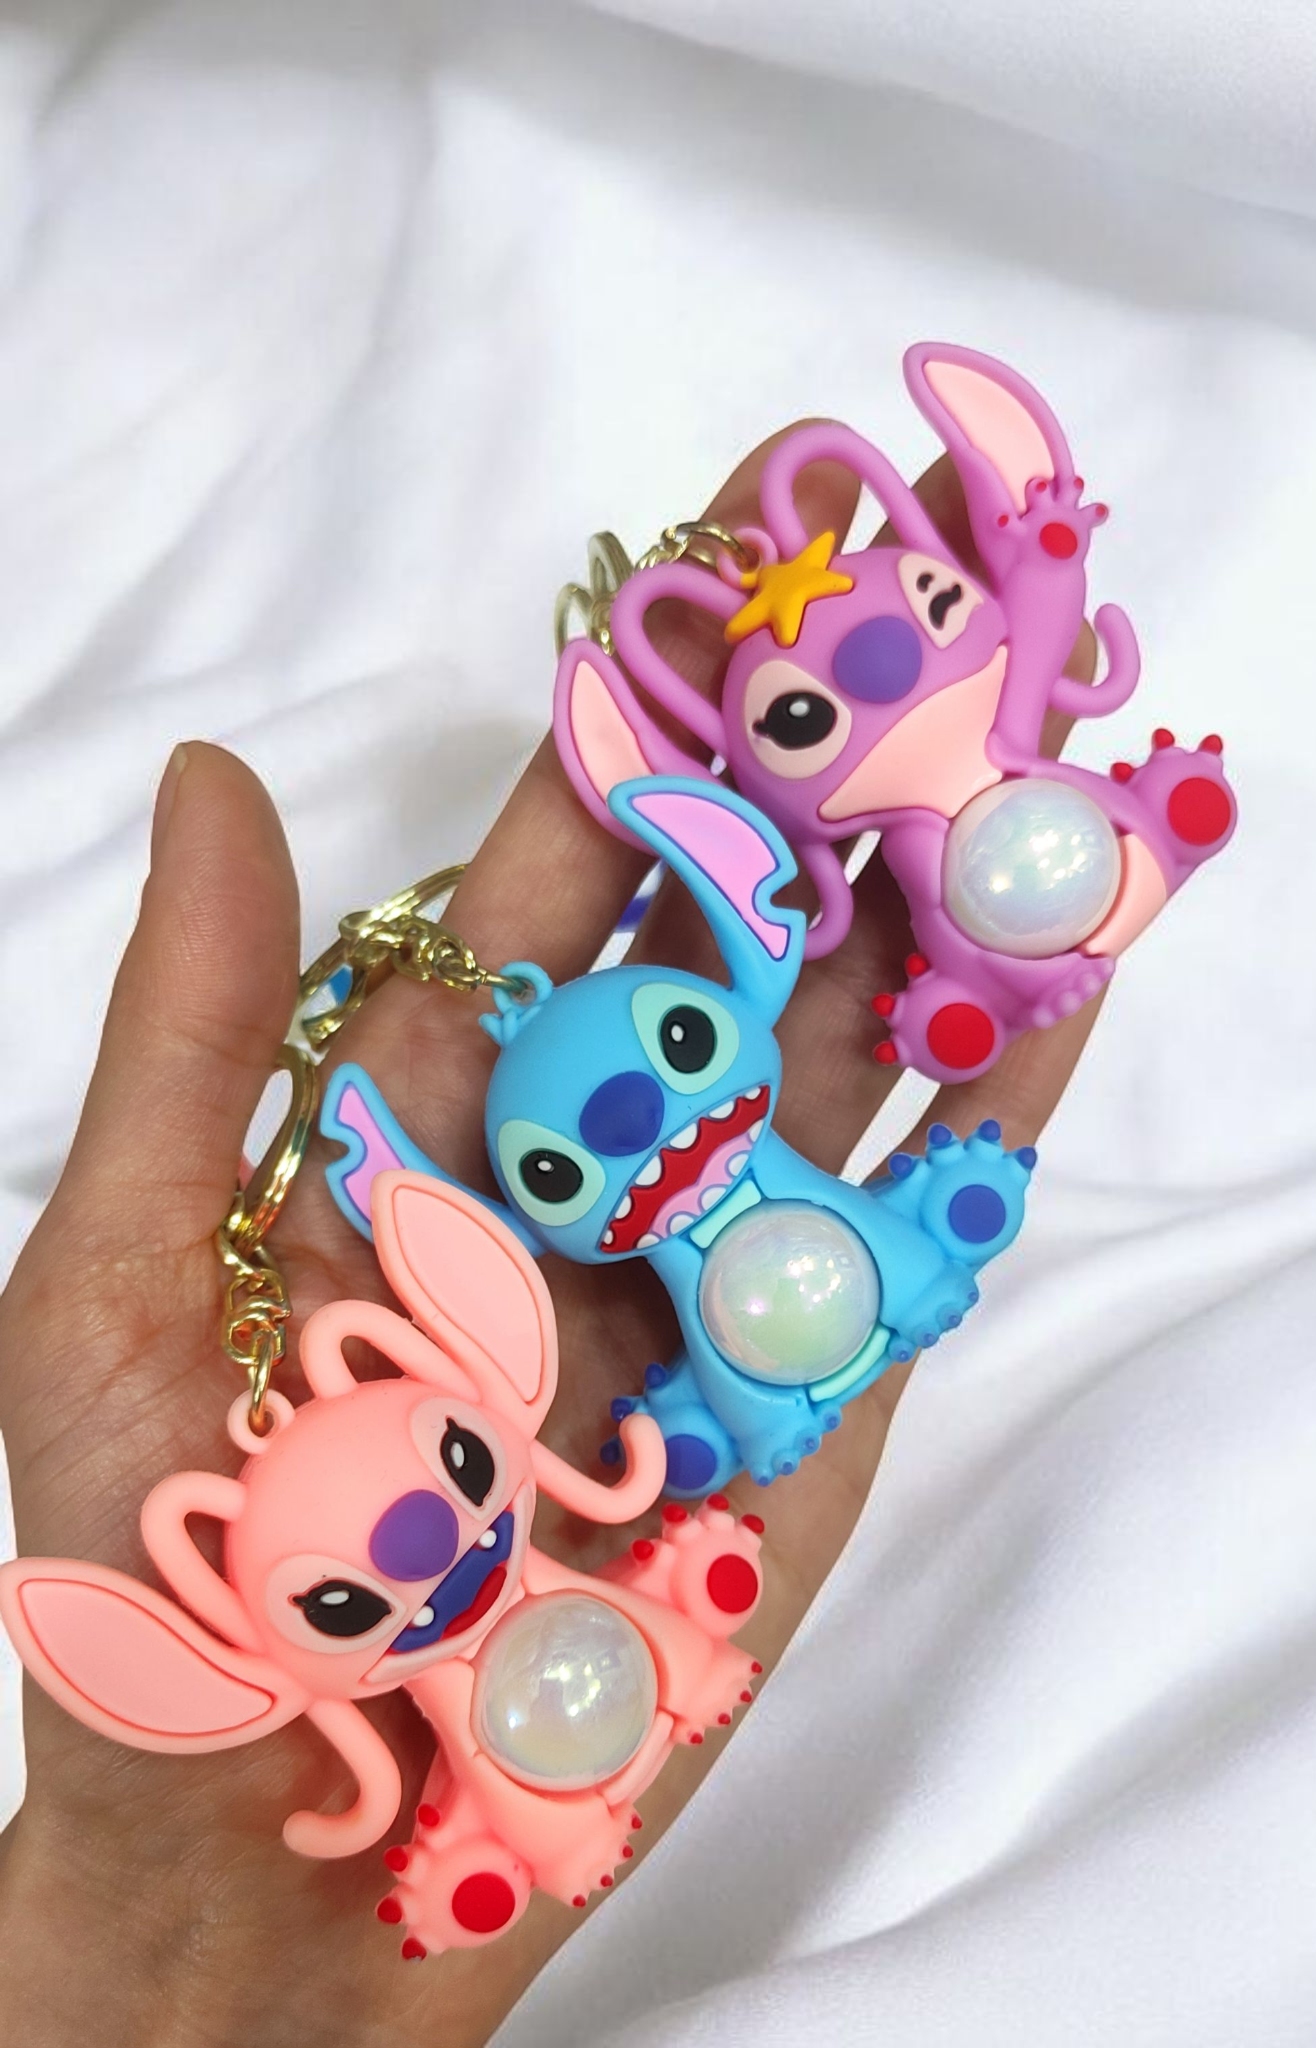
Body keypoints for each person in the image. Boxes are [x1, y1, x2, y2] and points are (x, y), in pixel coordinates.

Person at [0, 429, 1098, 2046]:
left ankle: (911, 1260)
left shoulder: (599, 1191)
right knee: (682, 1537)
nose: (421, 1546)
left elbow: (576, 1463)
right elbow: (565, 1478)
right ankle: (884, 1293)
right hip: (605, 1584)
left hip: (766, 1303)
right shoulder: (449, 1387)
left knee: (825, 1316)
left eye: (679, 1047)